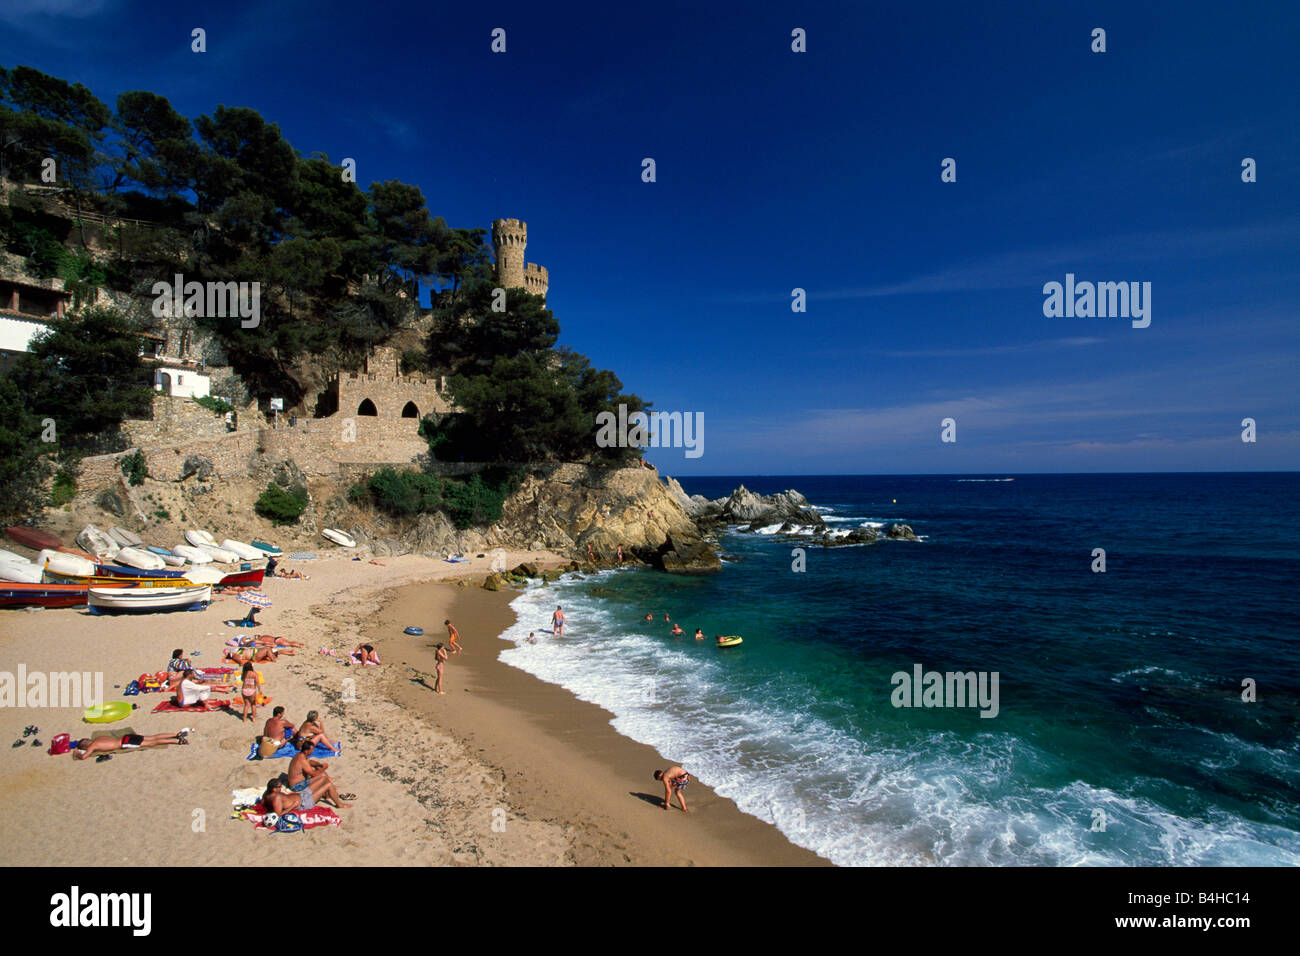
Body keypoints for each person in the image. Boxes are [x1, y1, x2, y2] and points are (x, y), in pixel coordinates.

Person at [74, 730, 189, 759]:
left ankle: (177, 741)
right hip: (126, 737)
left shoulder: (93, 745)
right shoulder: (99, 738)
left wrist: (77, 753)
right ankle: (176, 734)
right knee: (152, 737)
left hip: (125, 743)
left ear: (86, 746)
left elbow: (84, 757)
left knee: (152, 743)